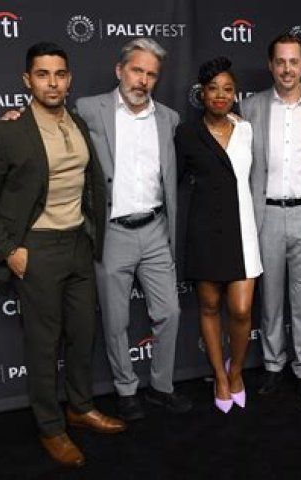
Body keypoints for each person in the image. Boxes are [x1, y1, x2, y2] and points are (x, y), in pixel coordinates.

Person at [0, 42, 125, 468]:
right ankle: (51, 427)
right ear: (27, 80)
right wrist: (9, 251)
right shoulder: (7, 130)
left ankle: (80, 407)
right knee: (43, 344)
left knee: (83, 333)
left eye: (59, 74)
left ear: (69, 79)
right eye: (42, 74)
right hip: (36, 249)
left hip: (78, 244)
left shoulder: (77, 122)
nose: (52, 83)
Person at [75, 38, 192, 418]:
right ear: (120, 70)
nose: (142, 80)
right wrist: (17, 116)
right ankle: (125, 390)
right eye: (137, 70)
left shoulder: (169, 119)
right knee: (115, 319)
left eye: (151, 74)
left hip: (156, 229)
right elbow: (51, 124)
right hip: (113, 233)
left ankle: (161, 387)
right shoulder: (89, 110)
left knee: (170, 312)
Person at [241, 33, 301, 403]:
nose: (287, 69)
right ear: (270, 65)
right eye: (280, 62)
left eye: (294, 61)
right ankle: (273, 364)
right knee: (271, 298)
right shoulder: (251, 108)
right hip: (267, 215)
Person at [175, 57, 262, 413]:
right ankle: (220, 378)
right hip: (204, 232)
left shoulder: (246, 130)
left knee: (241, 310)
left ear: (235, 94)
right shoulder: (186, 134)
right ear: (202, 94)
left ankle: (236, 370)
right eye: (213, 89)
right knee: (209, 306)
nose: (221, 95)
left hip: (242, 230)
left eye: (228, 89)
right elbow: (170, 178)